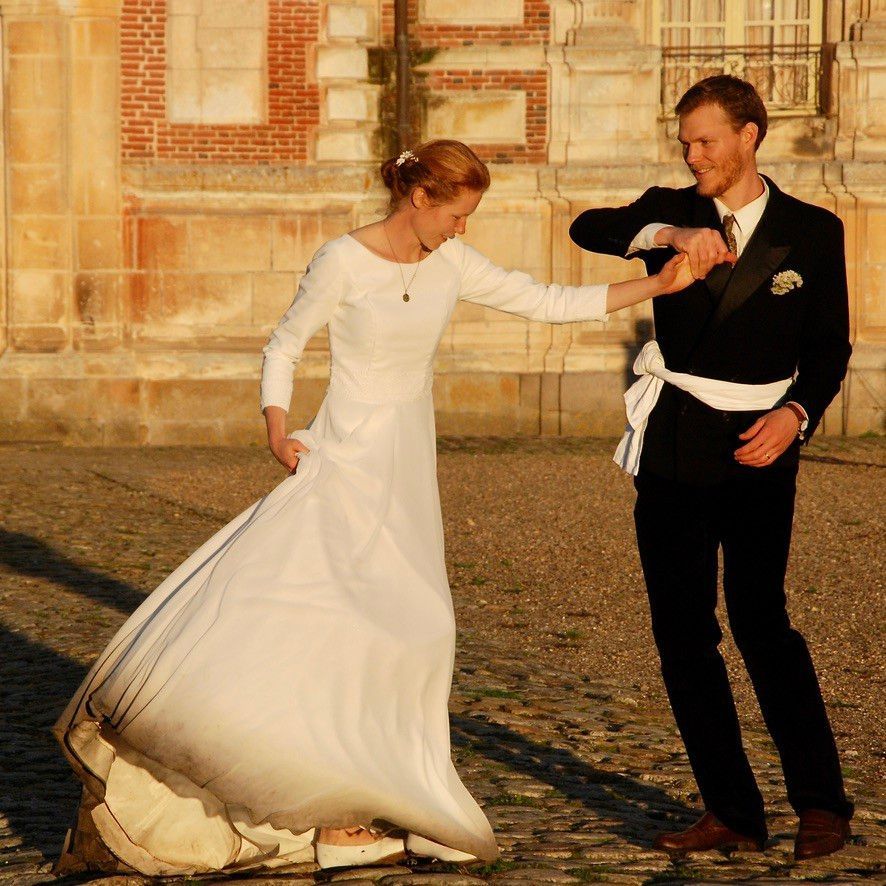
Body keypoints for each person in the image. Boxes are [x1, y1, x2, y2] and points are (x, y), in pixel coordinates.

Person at [54, 139, 695, 877]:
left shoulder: (452, 264)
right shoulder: (343, 261)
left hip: (405, 469)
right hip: (342, 458)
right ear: (418, 198)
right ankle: (339, 813)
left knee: (416, 628)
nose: (462, 229)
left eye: (469, 217)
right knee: (344, 624)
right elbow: (285, 342)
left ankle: (353, 809)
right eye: (456, 214)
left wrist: (657, 289)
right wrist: (274, 425)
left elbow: (546, 301)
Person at [569, 76, 854, 862]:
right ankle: (731, 811)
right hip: (675, 448)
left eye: (707, 142)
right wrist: (664, 235)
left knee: (764, 624)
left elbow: (830, 347)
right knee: (683, 635)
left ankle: (823, 805)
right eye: (685, 142)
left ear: (750, 135)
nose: (693, 156)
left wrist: (796, 416)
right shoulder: (673, 207)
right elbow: (586, 228)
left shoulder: (813, 229)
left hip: (762, 448)